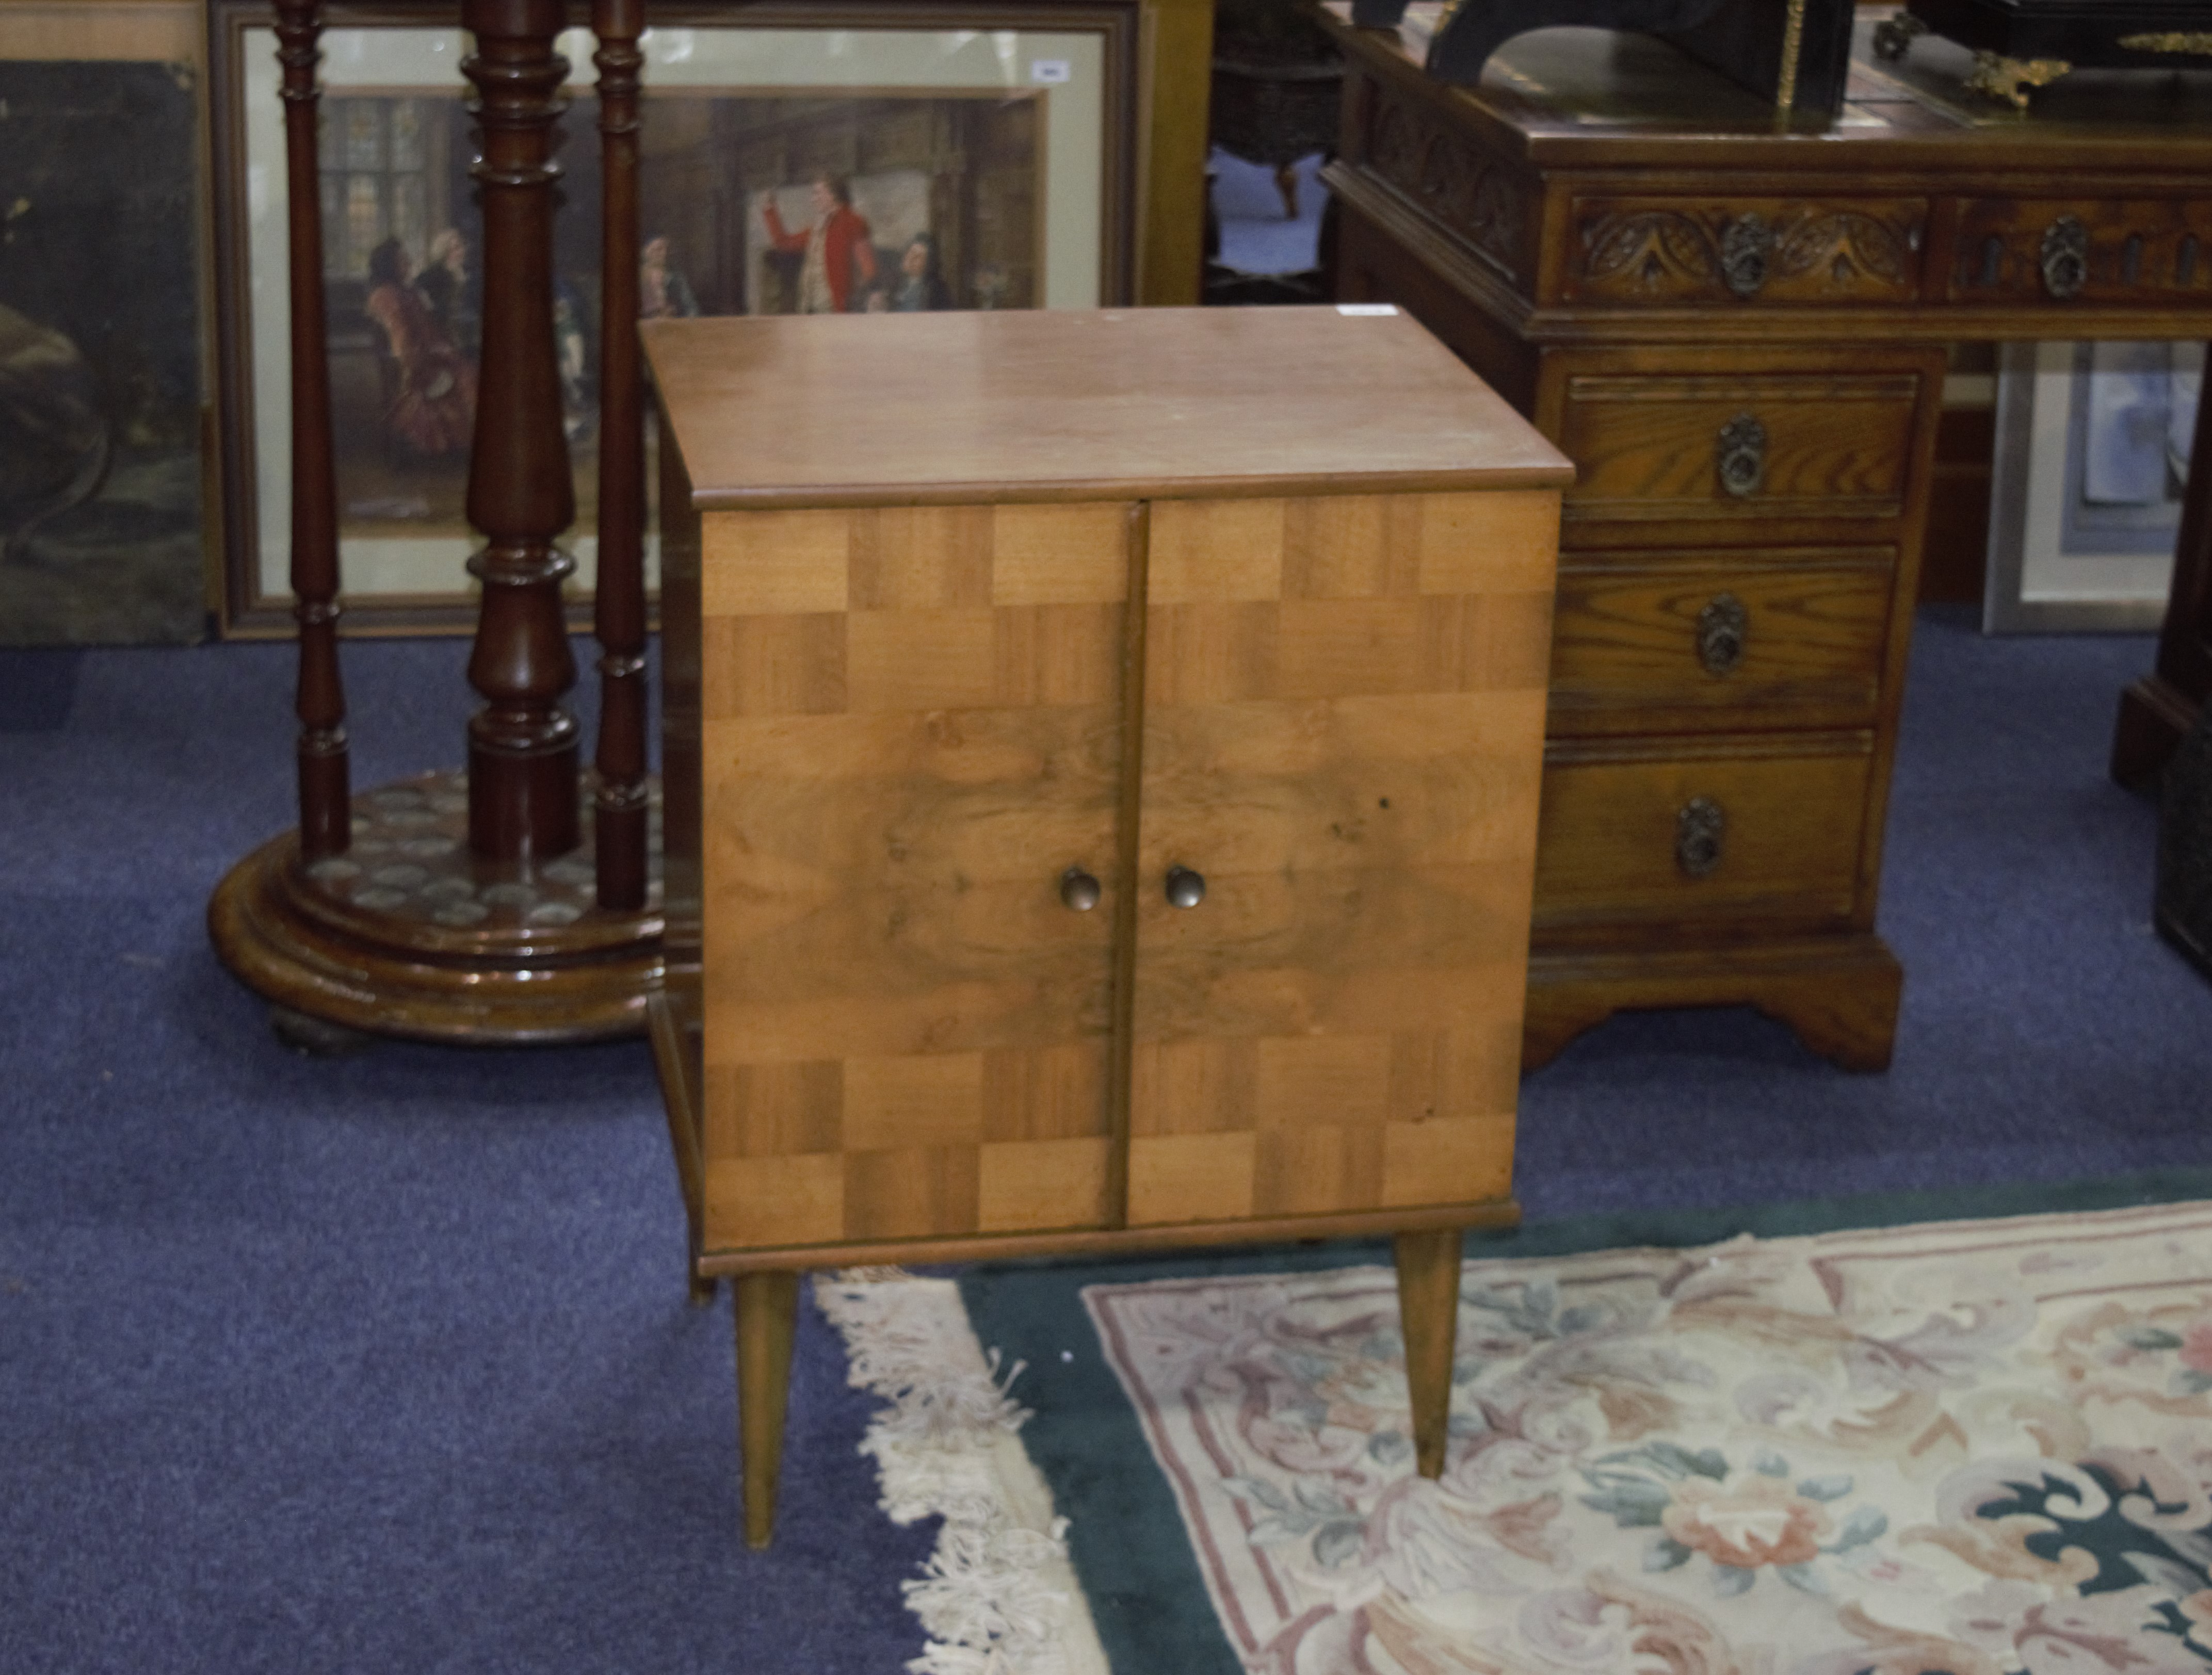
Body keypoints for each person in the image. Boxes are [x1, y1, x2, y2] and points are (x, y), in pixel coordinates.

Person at [363, 236, 476, 461]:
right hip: (419, 367)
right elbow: (403, 344)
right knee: (469, 379)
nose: (411, 264)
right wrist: (433, 354)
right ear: (390, 266)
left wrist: (444, 347)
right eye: (404, 261)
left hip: (435, 355)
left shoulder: (406, 292)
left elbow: (429, 329)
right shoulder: (387, 297)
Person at [761, 175, 877, 314]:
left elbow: (867, 267)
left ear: (833, 195)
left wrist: (868, 295)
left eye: (817, 193)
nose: (813, 199)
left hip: (836, 309)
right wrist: (770, 209)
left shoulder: (852, 222)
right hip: (810, 306)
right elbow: (784, 243)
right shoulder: (818, 229)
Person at [414, 226, 478, 353]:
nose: (462, 251)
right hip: (441, 331)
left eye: (462, 246)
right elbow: (423, 303)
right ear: (445, 252)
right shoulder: (432, 275)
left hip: (467, 330)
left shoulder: (469, 274)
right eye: (456, 248)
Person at [886, 232, 952, 312]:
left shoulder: (937, 291)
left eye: (918, 257)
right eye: (911, 252)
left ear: (928, 264)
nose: (911, 259)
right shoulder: (895, 284)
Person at [639, 234, 700, 320]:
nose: (664, 253)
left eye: (666, 249)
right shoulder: (636, 277)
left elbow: (690, 307)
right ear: (646, 251)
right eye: (658, 249)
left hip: (672, 325)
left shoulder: (676, 278)